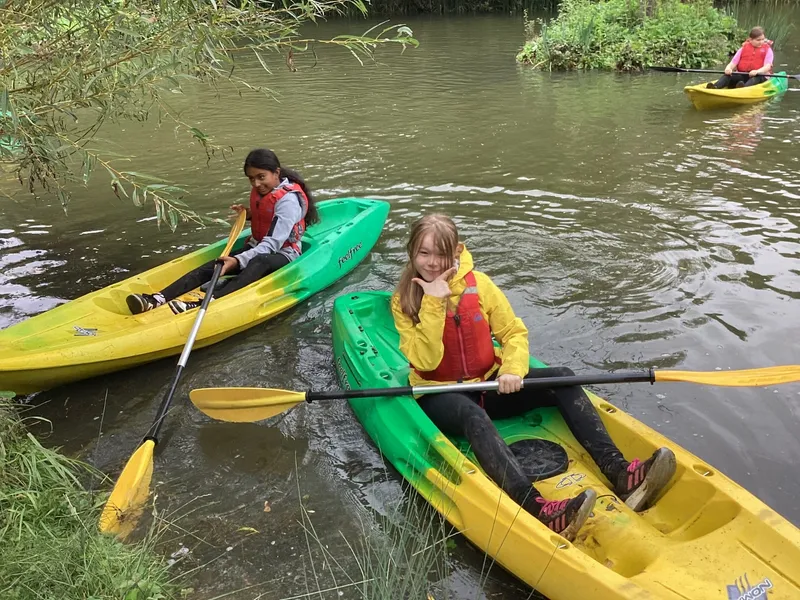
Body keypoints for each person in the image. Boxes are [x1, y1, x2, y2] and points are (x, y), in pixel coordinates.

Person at [391, 214, 677, 541]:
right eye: (422, 253)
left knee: (563, 377)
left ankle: (619, 472)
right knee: (473, 415)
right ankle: (536, 507)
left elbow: (513, 333)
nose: (430, 262)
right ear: (412, 252)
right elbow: (426, 360)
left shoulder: (480, 285)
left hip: (487, 382)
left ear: (456, 252)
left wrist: (512, 369)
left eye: (439, 253)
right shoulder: (404, 300)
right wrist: (433, 302)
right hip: (439, 394)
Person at [126, 148, 318, 315]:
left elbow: (272, 245)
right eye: (252, 179)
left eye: (261, 177)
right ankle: (156, 299)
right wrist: (250, 215)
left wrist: (238, 260)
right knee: (217, 264)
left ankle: (210, 301)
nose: (256, 184)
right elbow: (268, 218)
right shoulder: (266, 192)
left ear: (276, 173)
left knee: (259, 261)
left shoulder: (289, 201)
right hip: (258, 246)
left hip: (284, 254)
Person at [708, 27, 773, 89]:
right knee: (728, 75)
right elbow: (733, 62)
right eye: (758, 40)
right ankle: (715, 87)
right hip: (743, 74)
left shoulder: (767, 50)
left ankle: (743, 89)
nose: (761, 42)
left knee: (756, 78)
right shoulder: (743, 49)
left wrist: (757, 71)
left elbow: (767, 66)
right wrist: (728, 68)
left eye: (763, 39)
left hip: (759, 75)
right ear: (750, 40)